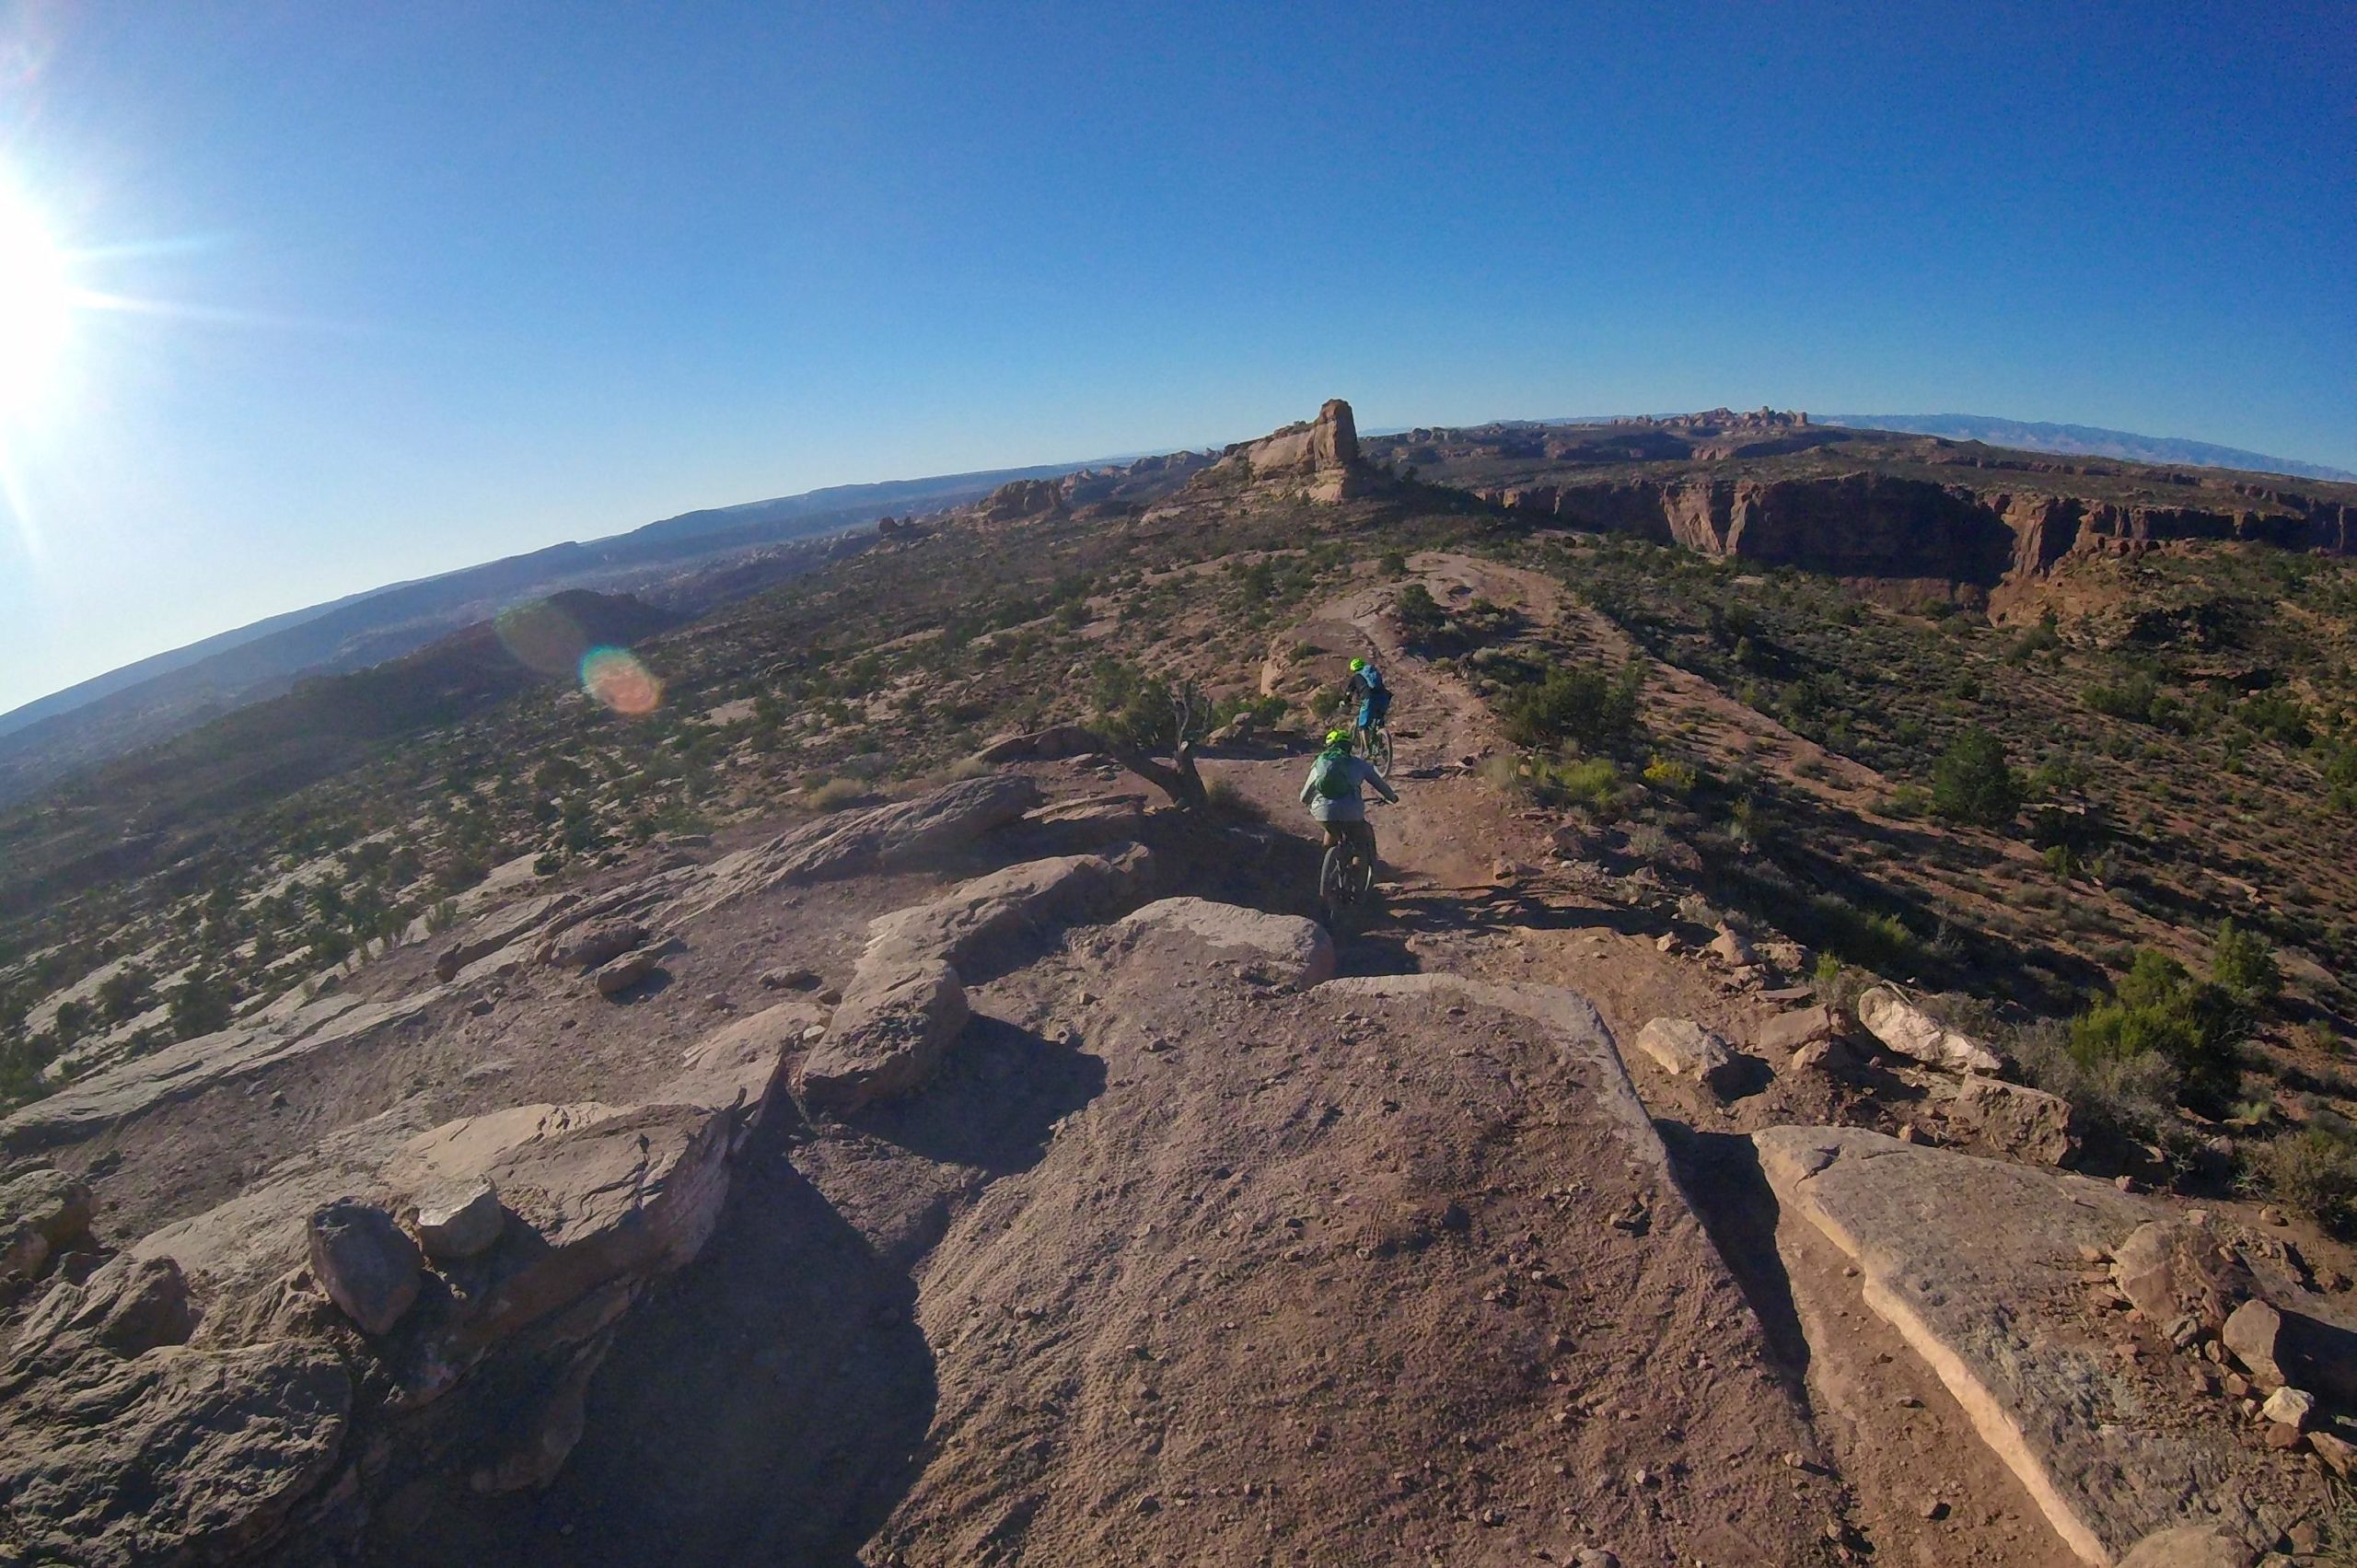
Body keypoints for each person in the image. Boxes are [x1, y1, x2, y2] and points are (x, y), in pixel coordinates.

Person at [1300, 727, 1398, 858]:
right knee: (1360, 846)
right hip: (1352, 812)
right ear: (1348, 747)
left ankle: (1326, 863)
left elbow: (1304, 796)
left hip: (1323, 812)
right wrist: (1392, 797)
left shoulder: (1320, 764)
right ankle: (1357, 872)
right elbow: (1380, 785)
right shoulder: (1359, 764)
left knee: (1331, 828)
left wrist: (1312, 803)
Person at [1342, 656, 1391, 739]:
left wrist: (1345, 701)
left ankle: (1367, 749)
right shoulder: (1373, 673)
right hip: (1384, 697)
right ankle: (1381, 742)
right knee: (1379, 719)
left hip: (1369, 698)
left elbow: (1349, 693)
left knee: (1363, 725)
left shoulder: (1356, 677)